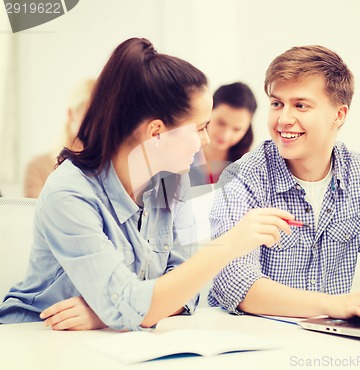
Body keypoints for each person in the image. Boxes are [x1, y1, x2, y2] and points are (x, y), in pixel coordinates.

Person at [0, 37, 295, 331]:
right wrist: (228, 245)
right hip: (36, 337)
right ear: (156, 133)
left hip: (114, 339)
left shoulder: (172, 182)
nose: (206, 140)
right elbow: (138, 303)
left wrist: (113, 311)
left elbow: (187, 293)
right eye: (200, 128)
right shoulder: (68, 193)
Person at [208, 45, 360, 322]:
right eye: (277, 104)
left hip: (331, 342)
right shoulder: (243, 176)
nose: (284, 119)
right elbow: (236, 284)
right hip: (256, 342)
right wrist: (331, 304)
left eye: (300, 105)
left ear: (339, 115)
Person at [23, 79, 95, 198]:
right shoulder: (37, 168)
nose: (95, 123)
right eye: (89, 114)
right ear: (71, 114)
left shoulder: (107, 168)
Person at [200, 82, 256, 184]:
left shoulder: (248, 169)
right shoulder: (180, 152)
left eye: (237, 129)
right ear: (209, 112)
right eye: (221, 123)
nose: (225, 135)